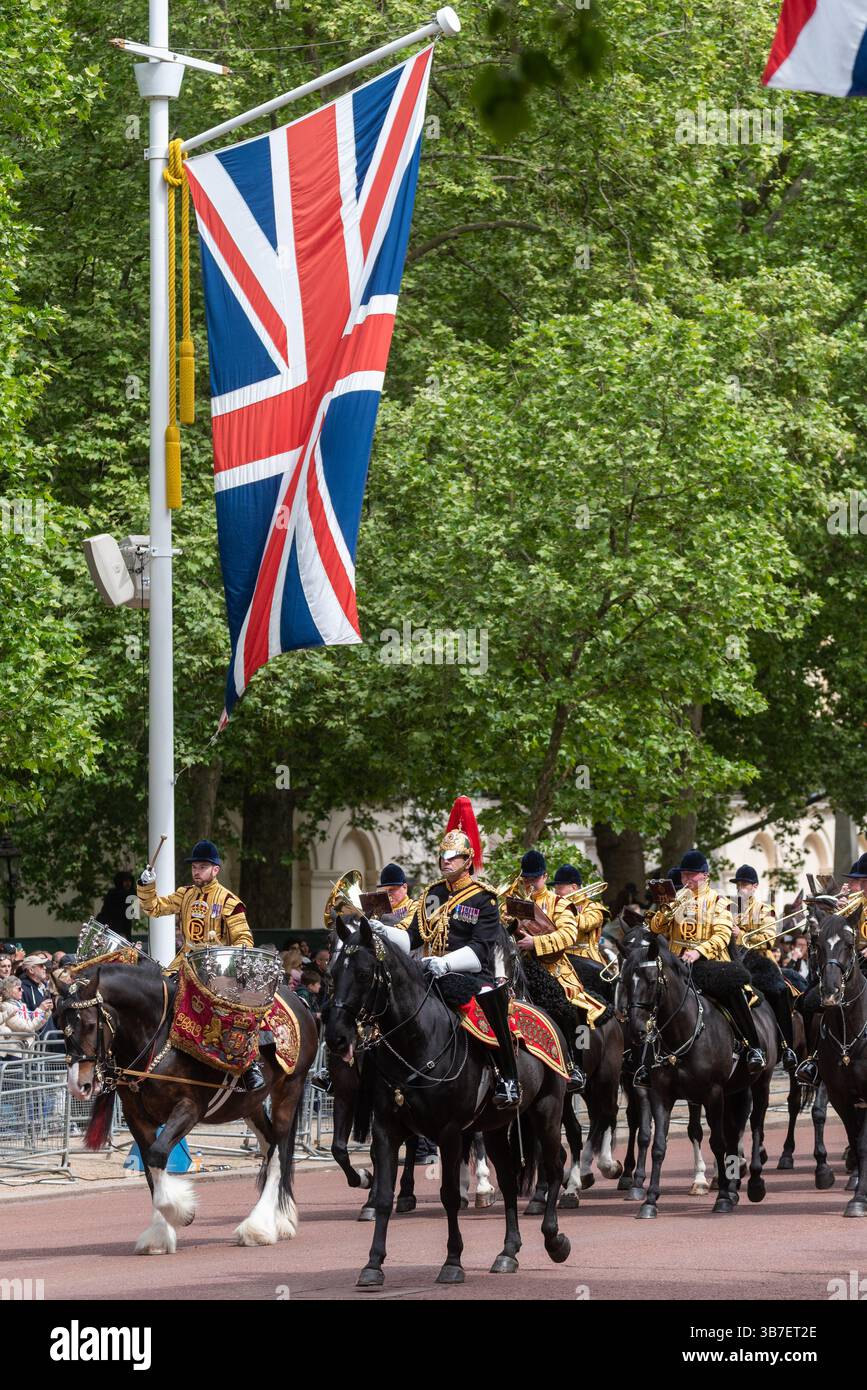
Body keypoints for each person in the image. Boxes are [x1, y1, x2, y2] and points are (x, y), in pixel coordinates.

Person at [407, 802, 521, 1109]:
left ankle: (508, 1077)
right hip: (430, 970)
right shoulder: (433, 894)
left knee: (490, 1000)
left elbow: (481, 949)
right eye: (442, 856)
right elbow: (412, 936)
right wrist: (378, 931)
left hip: (471, 973)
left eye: (451, 856)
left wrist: (445, 962)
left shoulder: (484, 898)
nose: (444, 862)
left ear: (467, 859)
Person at [137, 838, 264, 1091]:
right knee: (156, 998)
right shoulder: (185, 894)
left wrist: (230, 957)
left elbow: (245, 939)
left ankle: (250, 1066)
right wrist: (146, 885)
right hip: (183, 964)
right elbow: (153, 908)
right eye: (195, 867)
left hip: (218, 971)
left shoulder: (229, 901)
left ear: (215, 869)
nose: (197, 871)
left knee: (234, 1015)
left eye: (202, 867)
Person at [649, 849, 766, 1076]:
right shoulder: (677, 900)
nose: (686, 881)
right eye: (683, 876)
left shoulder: (719, 902)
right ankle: (644, 1062)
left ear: (704, 875)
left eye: (691, 876)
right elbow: (655, 928)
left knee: (733, 991)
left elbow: (722, 934)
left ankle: (754, 1047)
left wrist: (698, 952)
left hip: (708, 964)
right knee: (646, 996)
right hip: (675, 965)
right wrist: (666, 908)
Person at [511, 850, 607, 1093]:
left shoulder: (559, 903)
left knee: (568, 1008)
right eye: (526, 879)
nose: (530, 884)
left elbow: (568, 935)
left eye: (534, 879)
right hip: (521, 967)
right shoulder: (516, 903)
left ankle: (574, 1064)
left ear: (544, 876)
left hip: (553, 969)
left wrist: (536, 943)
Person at [730, 864, 797, 1071]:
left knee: (779, 991)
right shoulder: (728, 909)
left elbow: (768, 939)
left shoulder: (765, 909)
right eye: (739, 884)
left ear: (755, 886)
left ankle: (787, 1047)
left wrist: (739, 935)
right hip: (734, 960)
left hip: (760, 962)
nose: (741, 888)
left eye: (746, 884)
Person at [551, 865, 606, 963]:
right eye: (555, 888)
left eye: (559, 888)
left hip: (586, 958)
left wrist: (566, 910)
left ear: (574, 887)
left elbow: (587, 924)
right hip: (561, 957)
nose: (556, 892)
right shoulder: (557, 906)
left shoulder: (593, 907)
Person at [0, 977, 53, 1054]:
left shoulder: (21, 1005)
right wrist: (40, 1009)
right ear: (9, 990)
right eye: (19, 988)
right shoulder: (6, 1006)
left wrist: (45, 1013)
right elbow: (28, 1027)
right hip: (14, 1053)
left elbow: (34, 1026)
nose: (22, 990)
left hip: (26, 1053)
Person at [96, 870, 137, 940]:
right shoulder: (113, 894)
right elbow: (108, 913)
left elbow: (129, 918)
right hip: (109, 927)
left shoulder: (132, 894)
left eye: (129, 881)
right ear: (120, 882)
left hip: (122, 930)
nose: (128, 883)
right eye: (125, 881)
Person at [377, 863, 419, 928]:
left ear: (404, 887)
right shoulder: (381, 909)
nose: (388, 894)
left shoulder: (414, 905)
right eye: (386, 890)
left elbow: (407, 928)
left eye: (392, 890)